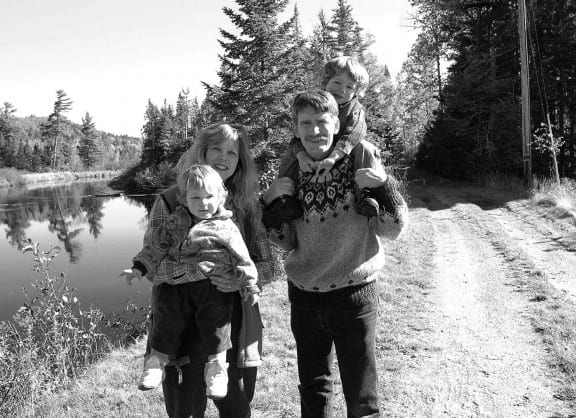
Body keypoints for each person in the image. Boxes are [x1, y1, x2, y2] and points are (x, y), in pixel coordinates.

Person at [262, 89, 408, 417]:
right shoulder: (291, 170)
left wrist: (385, 186)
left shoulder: (360, 157)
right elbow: (284, 242)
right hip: (304, 299)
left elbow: (393, 229)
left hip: (354, 298)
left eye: (322, 122)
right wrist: (270, 203)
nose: (315, 131)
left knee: (362, 396)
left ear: (336, 122)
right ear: (296, 128)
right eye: (306, 123)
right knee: (313, 391)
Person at [131, 122, 273, 417]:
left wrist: (238, 280)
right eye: (217, 150)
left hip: (232, 321)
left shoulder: (246, 206)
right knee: (186, 409)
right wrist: (205, 270)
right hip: (179, 324)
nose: (224, 158)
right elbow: (155, 270)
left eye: (232, 153)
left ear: (240, 161)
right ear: (202, 153)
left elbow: (269, 266)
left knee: (237, 408)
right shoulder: (171, 201)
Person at [122, 164, 260, 400]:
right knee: (166, 317)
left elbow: (242, 257)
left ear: (221, 197)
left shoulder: (226, 227)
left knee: (216, 320)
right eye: (196, 197)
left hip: (209, 286)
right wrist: (139, 267)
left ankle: (217, 367)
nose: (203, 203)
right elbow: (156, 245)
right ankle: (156, 361)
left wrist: (248, 284)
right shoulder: (174, 222)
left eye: (209, 197)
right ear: (184, 199)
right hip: (175, 287)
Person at [267, 56, 379, 229]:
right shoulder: (317, 103)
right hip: (318, 149)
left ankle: (366, 194)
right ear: (326, 81)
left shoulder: (355, 110)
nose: (342, 89)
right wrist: (302, 156)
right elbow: (297, 137)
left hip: (345, 147)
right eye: (337, 82)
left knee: (365, 148)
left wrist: (334, 157)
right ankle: (285, 200)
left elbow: (353, 135)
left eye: (349, 87)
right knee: (292, 154)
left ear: (356, 92)